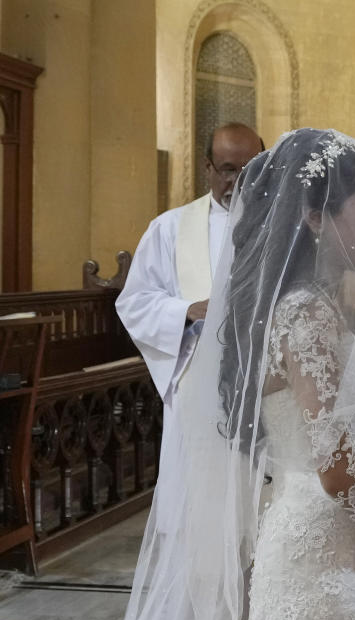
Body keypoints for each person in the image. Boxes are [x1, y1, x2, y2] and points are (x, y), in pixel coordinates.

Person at [121, 129, 355, 620]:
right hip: (318, 564)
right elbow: (335, 473)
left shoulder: (310, 306)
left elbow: (354, 458)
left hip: (333, 545)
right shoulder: (306, 314)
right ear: (314, 217)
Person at [116, 122, 262, 532]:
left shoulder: (282, 229)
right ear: (208, 168)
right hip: (201, 389)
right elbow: (134, 301)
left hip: (268, 387)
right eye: (228, 169)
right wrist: (185, 311)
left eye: (250, 169)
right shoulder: (170, 228)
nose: (237, 181)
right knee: (202, 517)